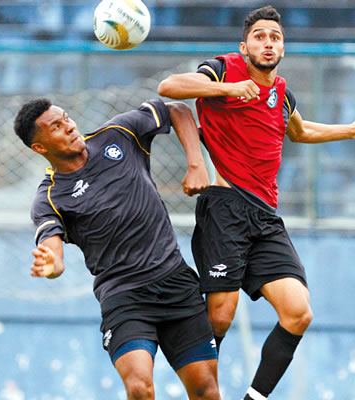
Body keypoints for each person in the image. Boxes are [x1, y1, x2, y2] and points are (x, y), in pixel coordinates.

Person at [157, 5, 355, 400]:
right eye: (259, 36)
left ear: (283, 48)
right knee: (220, 320)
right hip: (225, 207)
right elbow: (170, 87)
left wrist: (351, 130)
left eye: (275, 37)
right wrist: (226, 89)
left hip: (265, 217)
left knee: (298, 312)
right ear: (245, 46)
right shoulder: (223, 69)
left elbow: (301, 131)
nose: (268, 42)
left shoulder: (282, 93)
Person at [14, 97, 220, 400]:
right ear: (40, 148)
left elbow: (176, 110)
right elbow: (52, 252)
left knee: (205, 390)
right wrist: (52, 266)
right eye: (56, 127)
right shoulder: (50, 198)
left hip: (175, 282)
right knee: (139, 387)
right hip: (125, 298)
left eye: (66, 117)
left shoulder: (119, 134)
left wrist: (196, 163)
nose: (69, 127)